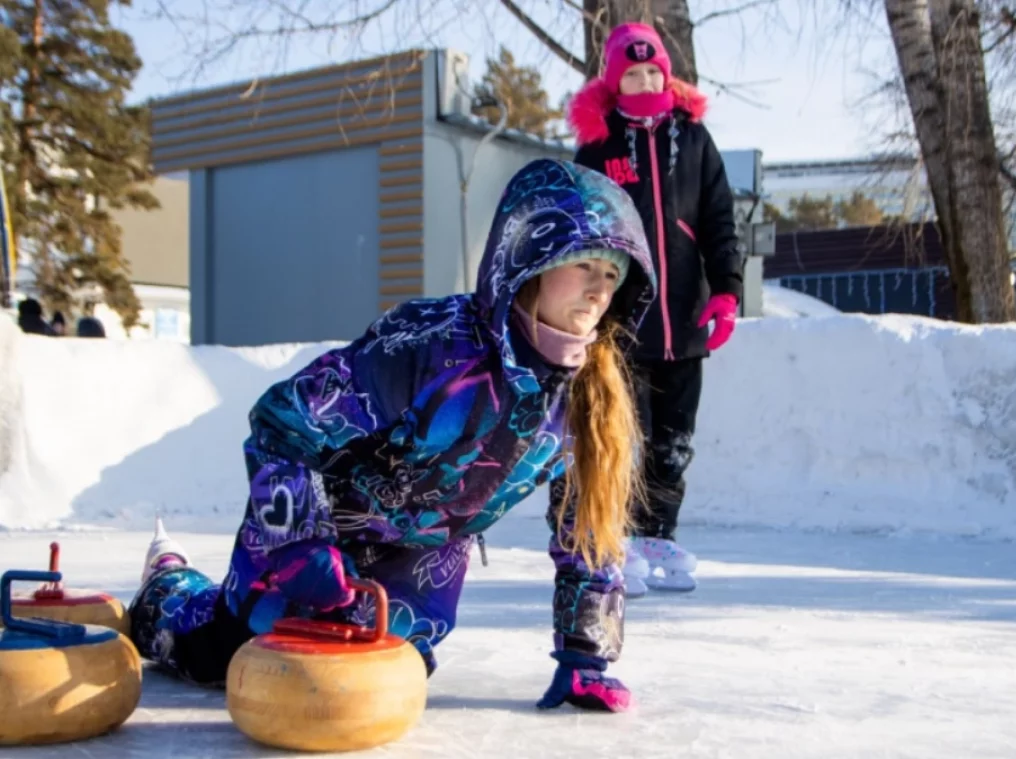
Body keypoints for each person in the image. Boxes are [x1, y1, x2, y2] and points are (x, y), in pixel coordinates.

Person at [128, 159, 656, 713]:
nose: (599, 290)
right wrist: (300, 543)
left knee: (368, 686)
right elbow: (281, 425)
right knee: (226, 655)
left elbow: (590, 530)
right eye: (585, 264)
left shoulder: (590, 402)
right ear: (529, 259)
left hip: (416, 574)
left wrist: (584, 656)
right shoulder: (428, 346)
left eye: (613, 275)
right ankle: (166, 585)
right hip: (318, 531)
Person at [566, 22, 744, 594]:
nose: (645, 80)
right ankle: (610, 541)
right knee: (622, 440)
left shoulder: (693, 138)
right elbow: (581, 229)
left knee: (674, 441)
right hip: (623, 322)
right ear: (616, 82)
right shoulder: (599, 144)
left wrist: (726, 291)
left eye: (653, 72)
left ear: (666, 74)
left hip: (685, 319)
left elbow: (719, 220)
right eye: (633, 73)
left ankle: (656, 533)